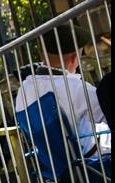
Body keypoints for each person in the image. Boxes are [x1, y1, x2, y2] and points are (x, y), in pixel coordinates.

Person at [15, 24, 110, 157]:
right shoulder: (77, 88)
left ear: (42, 55)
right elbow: (107, 116)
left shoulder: (24, 89)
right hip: (88, 160)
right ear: (73, 58)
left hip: (52, 162)